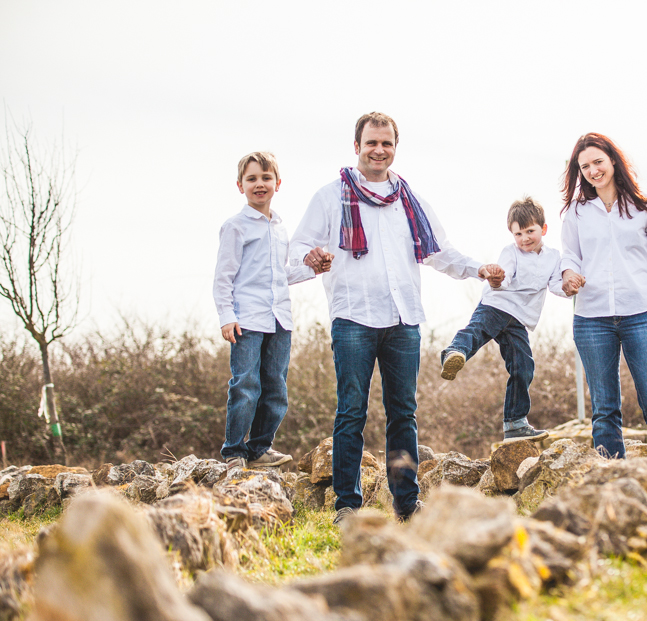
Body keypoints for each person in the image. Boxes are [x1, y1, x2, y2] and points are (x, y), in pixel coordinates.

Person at [290, 111, 502, 523]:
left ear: (394, 148)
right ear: (357, 147)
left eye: (386, 143)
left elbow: (440, 251)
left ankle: (407, 504)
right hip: (353, 318)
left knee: (403, 412)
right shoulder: (331, 197)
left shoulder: (410, 199)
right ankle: (347, 506)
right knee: (351, 411)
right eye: (371, 142)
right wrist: (309, 257)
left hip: (403, 321)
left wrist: (478, 269)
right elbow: (297, 246)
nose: (378, 150)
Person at [560, 133, 647, 510]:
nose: (592, 171)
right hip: (591, 318)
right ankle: (615, 501)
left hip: (643, 315)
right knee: (604, 410)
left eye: (597, 162)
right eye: (584, 166)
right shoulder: (575, 213)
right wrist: (569, 275)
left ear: (613, 160)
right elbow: (568, 257)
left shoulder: (644, 207)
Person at [213, 151, 331, 477]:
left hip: (280, 319)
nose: (259, 184)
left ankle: (259, 449)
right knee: (245, 385)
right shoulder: (235, 227)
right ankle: (234, 452)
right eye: (252, 179)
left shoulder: (279, 228)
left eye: (266, 178)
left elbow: (282, 275)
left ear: (277, 183)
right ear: (240, 186)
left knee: (276, 390)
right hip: (247, 319)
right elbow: (223, 277)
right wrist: (226, 316)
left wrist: (312, 268)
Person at [440, 197, 567, 442]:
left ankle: (515, 424)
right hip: (497, 304)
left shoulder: (553, 257)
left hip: (519, 319)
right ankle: (454, 352)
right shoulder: (511, 252)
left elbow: (555, 285)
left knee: (523, 366)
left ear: (544, 229)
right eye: (518, 234)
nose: (524, 239)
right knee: (477, 331)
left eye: (530, 231)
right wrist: (497, 279)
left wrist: (570, 287)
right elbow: (505, 276)